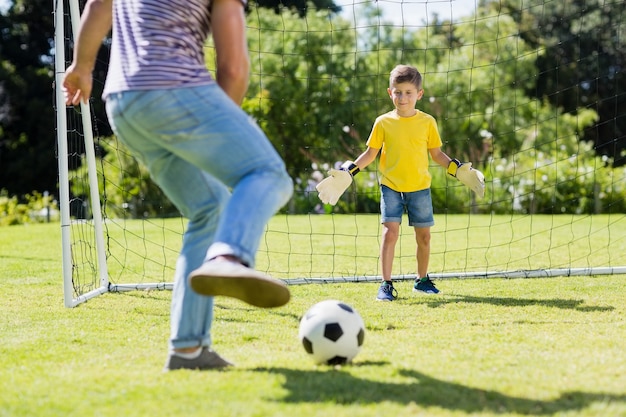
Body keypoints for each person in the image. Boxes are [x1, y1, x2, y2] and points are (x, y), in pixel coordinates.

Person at [63, 0, 294, 370]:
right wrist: (218, 138)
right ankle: (228, 257)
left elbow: (99, 4)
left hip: (122, 103)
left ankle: (188, 349)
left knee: (211, 207)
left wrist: (82, 66)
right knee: (268, 174)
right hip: (173, 89)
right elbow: (233, 70)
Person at [316, 64, 484, 301]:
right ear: (389, 92)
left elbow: (436, 154)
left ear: (419, 94)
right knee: (389, 233)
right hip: (391, 186)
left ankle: (422, 280)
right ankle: (385, 284)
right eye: (398, 92)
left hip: (420, 187)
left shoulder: (428, 122)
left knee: (424, 237)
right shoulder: (383, 122)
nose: (402, 97)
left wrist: (459, 171)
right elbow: (370, 154)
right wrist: (348, 172)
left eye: (408, 92)